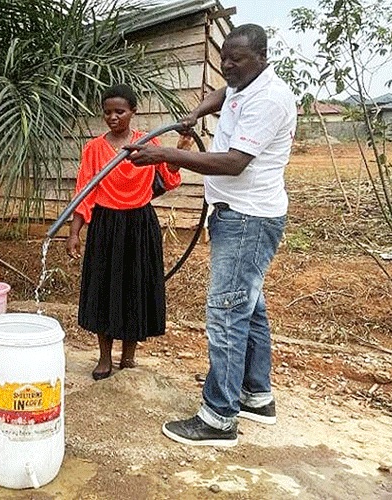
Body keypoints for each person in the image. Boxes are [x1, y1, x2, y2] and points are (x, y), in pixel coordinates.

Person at [125, 24, 296, 447]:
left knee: (226, 314)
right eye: (223, 58)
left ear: (262, 55)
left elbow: (235, 162)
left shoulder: (269, 98)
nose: (227, 65)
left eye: (236, 58)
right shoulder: (243, 85)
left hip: (247, 218)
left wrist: (164, 153)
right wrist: (198, 112)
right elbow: (223, 93)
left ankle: (218, 419)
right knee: (249, 308)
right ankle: (257, 395)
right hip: (239, 215)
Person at [66, 84, 181, 381]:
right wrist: (74, 233)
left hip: (139, 225)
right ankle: (104, 357)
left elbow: (168, 179)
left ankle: (128, 356)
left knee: (135, 287)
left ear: (133, 112)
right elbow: (84, 192)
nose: (113, 117)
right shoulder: (93, 149)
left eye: (120, 111)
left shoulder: (147, 144)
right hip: (105, 224)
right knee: (103, 288)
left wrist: (180, 152)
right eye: (107, 112)